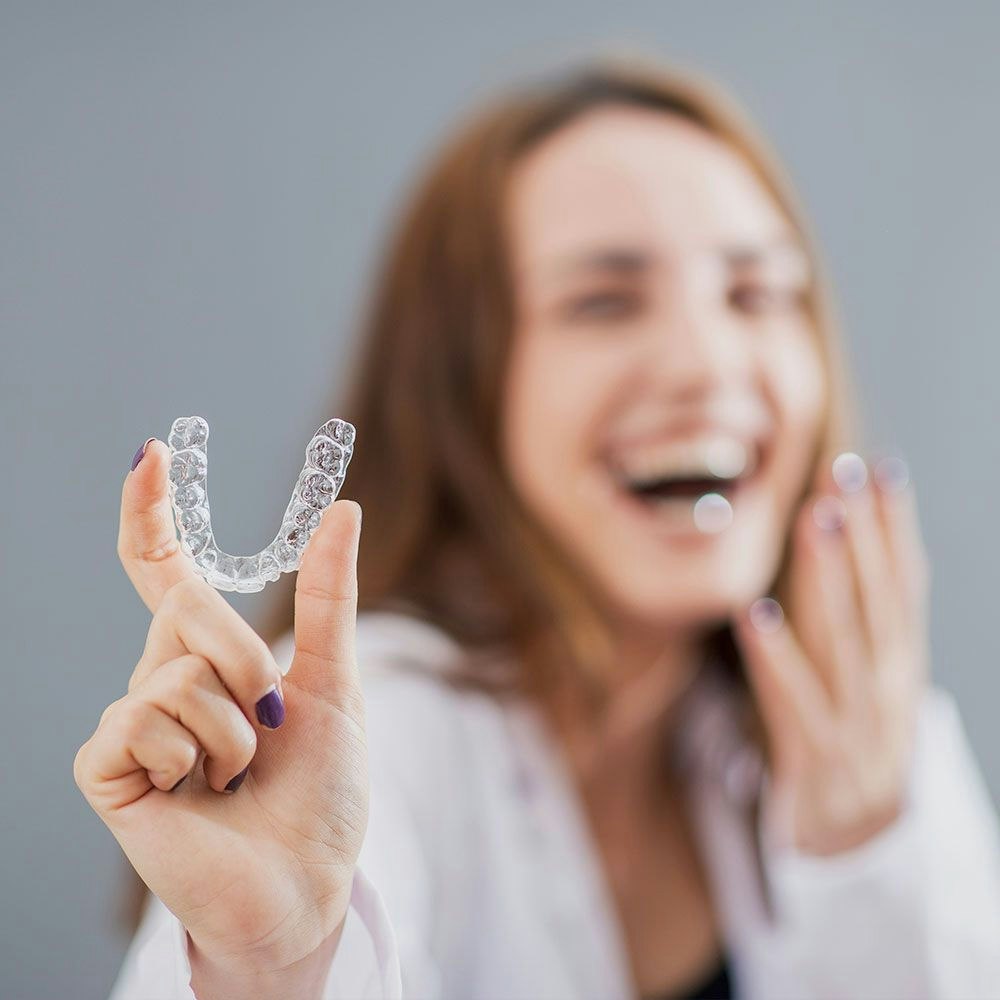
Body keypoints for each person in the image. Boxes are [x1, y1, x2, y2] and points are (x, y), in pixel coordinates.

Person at [76, 59, 1000, 1000]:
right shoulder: (369, 736)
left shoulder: (875, 740)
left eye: (757, 293)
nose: (706, 361)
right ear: (466, 391)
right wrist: (271, 969)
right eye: (603, 301)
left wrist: (865, 856)